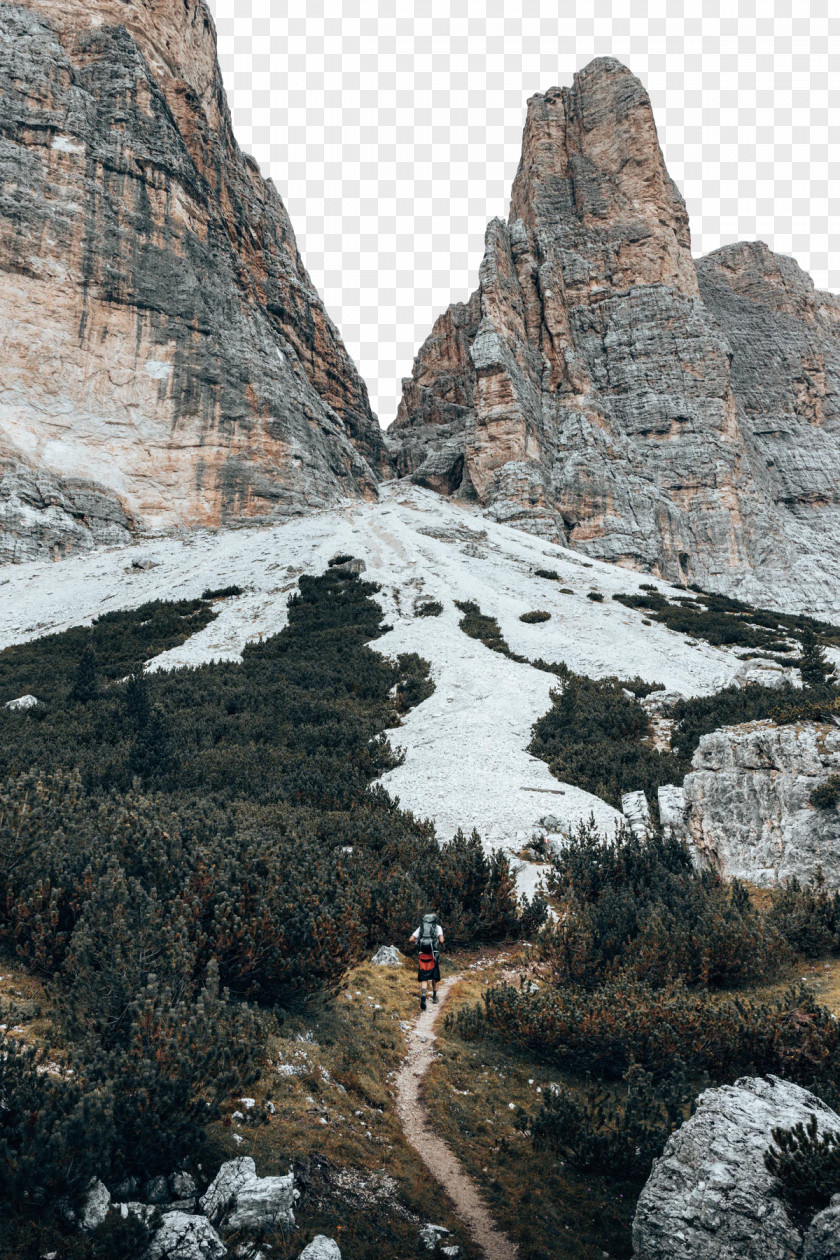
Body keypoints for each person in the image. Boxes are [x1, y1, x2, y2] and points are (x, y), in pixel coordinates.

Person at [408, 913, 444, 1011]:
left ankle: (423, 994)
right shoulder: (437, 927)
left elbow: (410, 939)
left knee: (424, 974)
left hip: (422, 954)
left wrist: (419, 941)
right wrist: (438, 942)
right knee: (434, 975)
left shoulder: (421, 928)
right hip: (433, 954)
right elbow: (441, 940)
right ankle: (435, 996)